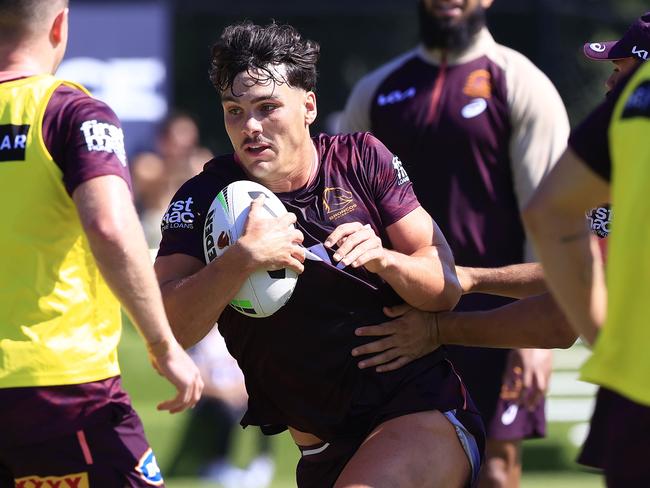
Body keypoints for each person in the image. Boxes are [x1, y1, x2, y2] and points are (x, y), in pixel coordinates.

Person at [155, 21, 485, 488]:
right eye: (234, 111)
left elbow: (445, 288)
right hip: (320, 447)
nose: (250, 126)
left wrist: (388, 260)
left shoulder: (361, 160)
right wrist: (239, 259)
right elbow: (169, 326)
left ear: (308, 105)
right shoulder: (205, 195)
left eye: (267, 108)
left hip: (417, 409)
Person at [338, 1, 569, 485]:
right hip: (398, 318)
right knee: (402, 460)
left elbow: (551, 215)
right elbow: (343, 203)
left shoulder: (520, 82)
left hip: (498, 316)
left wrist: (538, 340)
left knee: (497, 470)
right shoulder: (375, 90)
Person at [0, 1, 203, 486]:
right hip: (59, 385)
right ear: (59, 24)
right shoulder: (70, 111)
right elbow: (110, 226)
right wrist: (162, 344)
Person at [168, 328, 275, 488]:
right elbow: (196, 376)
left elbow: (250, 370)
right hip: (210, 399)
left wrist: (242, 391)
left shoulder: (236, 334)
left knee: (267, 407)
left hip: (241, 394)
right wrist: (225, 394)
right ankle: (219, 464)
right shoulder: (199, 339)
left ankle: (262, 462)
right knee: (225, 410)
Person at [131, 112, 213, 247]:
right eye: (180, 135)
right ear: (163, 141)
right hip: (153, 241)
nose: (185, 144)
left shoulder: (201, 166)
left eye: (190, 138)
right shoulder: (148, 167)